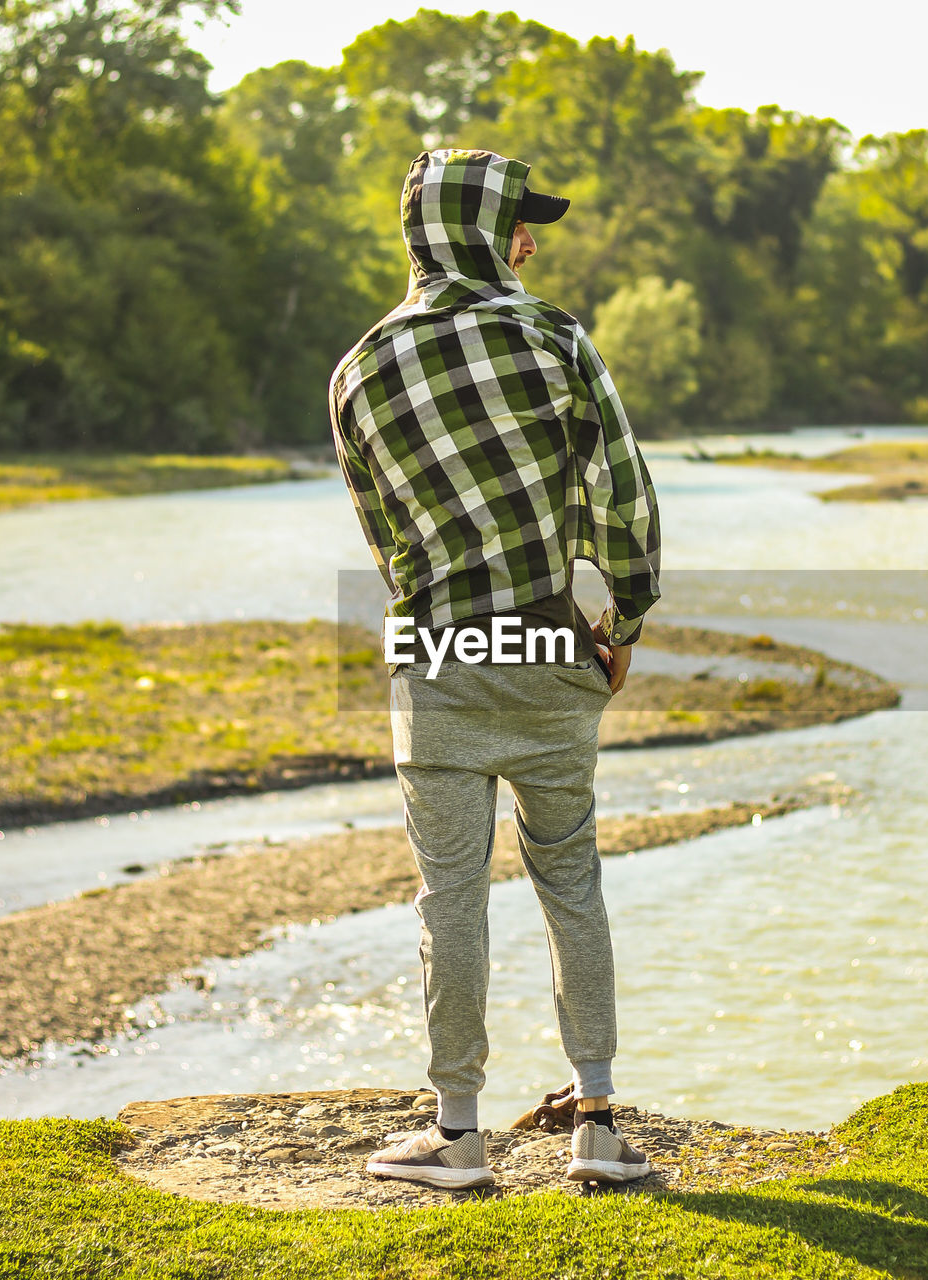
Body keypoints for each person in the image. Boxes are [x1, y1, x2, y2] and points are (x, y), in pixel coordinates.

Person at [328, 148, 661, 1190]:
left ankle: (458, 1136)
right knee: (571, 877)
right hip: (551, 637)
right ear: (472, 229)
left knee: (450, 895)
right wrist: (627, 616)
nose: (529, 241)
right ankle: (597, 1125)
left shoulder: (357, 370)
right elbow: (622, 489)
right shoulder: (551, 334)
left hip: (437, 652)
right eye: (517, 223)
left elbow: (383, 538)